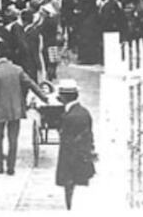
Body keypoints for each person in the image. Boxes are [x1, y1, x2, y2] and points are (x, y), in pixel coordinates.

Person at [0, 43, 48, 175]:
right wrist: (44, 97)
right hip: (16, 108)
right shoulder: (18, 69)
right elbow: (32, 84)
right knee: (13, 138)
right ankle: (11, 167)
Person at [55, 79, 96, 210]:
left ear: (63, 97)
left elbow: (68, 141)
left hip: (71, 160)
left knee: (71, 189)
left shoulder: (70, 116)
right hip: (82, 157)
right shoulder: (83, 112)